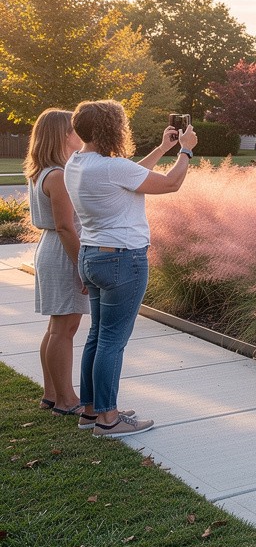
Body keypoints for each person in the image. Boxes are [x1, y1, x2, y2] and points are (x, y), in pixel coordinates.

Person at [65, 100, 194, 437]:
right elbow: (169, 184)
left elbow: (130, 176)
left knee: (97, 336)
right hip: (123, 259)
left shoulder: (78, 163)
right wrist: (186, 152)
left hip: (92, 256)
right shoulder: (110, 167)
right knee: (112, 341)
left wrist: (163, 148)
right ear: (111, 129)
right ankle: (109, 419)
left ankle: (91, 410)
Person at [25, 109, 89, 417]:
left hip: (51, 249)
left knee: (57, 327)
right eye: (74, 129)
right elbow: (66, 226)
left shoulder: (44, 170)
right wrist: (82, 267)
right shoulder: (59, 176)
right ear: (64, 135)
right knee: (65, 328)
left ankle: (51, 394)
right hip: (63, 252)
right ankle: (65, 400)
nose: (80, 133)